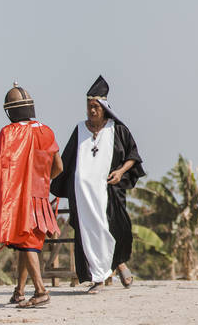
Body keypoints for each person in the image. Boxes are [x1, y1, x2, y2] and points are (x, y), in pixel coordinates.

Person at [50, 76, 145, 293]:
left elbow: (133, 156)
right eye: (89, 106)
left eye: (95, 107)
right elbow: (65, 160)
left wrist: (120, 172)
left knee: (114, 229)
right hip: (82, 196)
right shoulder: (79, 129)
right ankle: (98, 278)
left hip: (108, 192)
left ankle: (119, 263)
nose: (91, 111)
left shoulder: (117, 130)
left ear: (103, 108)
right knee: (88, 233)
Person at [0, 85, 63, 308]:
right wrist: (42, 182)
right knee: (27, 244)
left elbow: (3, 171)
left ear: (10, 111)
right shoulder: (47, 131)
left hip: (21, 200)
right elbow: (58, 167)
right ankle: (19, 291)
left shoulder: (9, 133)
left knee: (26, 243)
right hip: (40, 197)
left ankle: (41, 291)